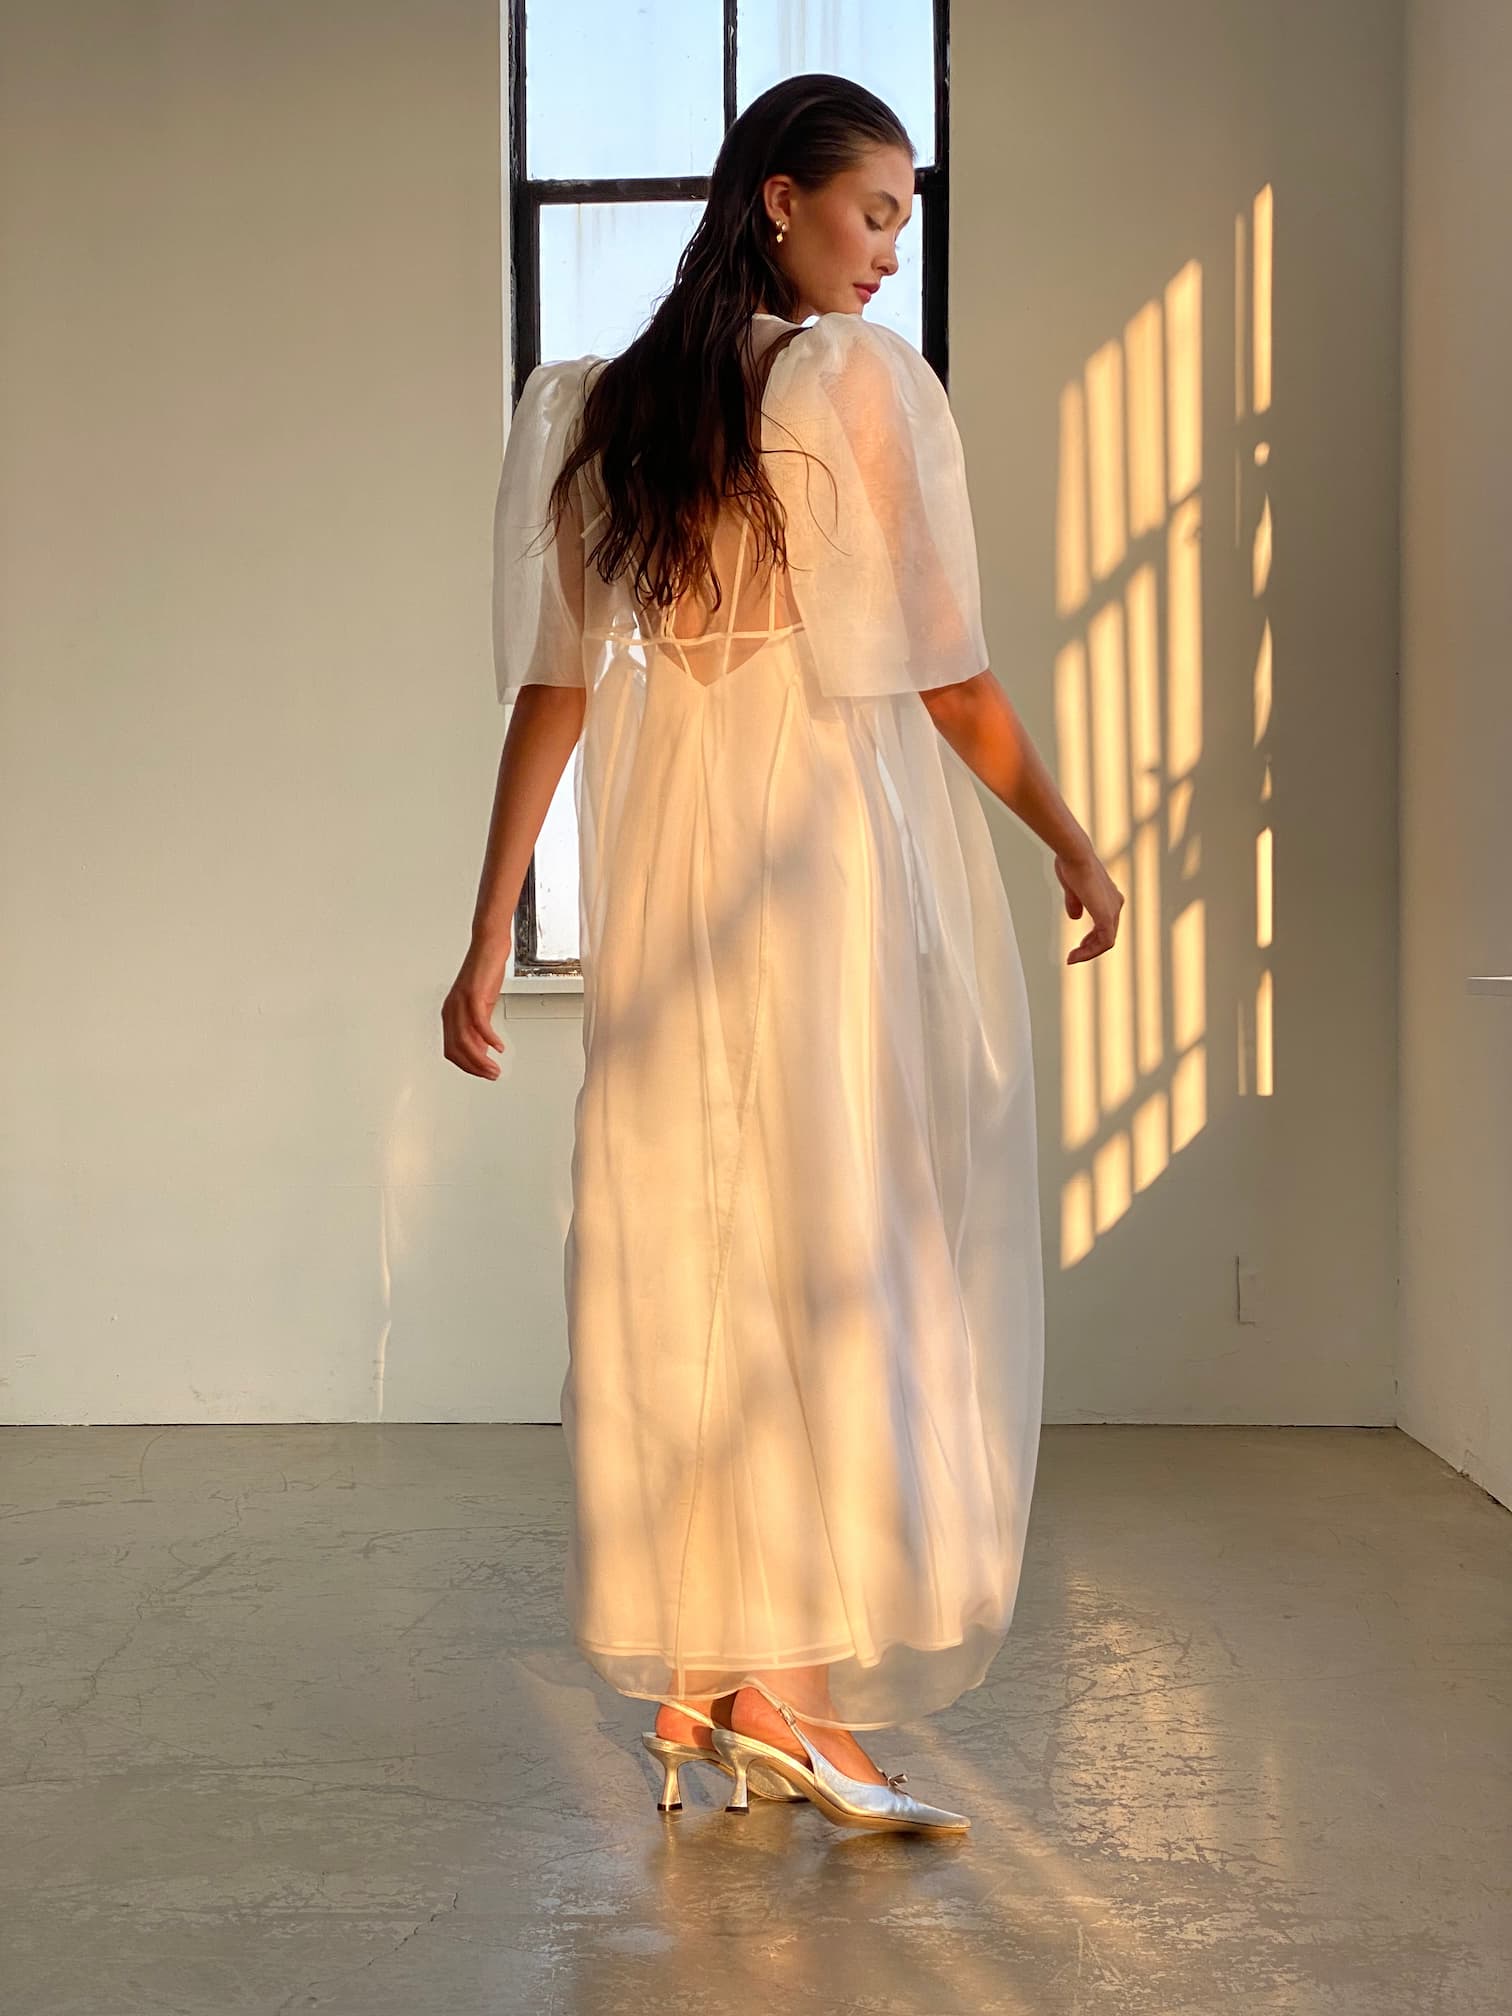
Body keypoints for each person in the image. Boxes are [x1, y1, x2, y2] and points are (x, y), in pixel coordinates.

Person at [442, 74, 1123, 1835]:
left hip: (675, 871)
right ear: (778, 202)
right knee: (834, 1242)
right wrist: (1066, 835)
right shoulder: (845, 387)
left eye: (906, 216)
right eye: (875, 210)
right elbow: (949, 679)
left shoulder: (601, 407)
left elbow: (560, 689)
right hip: (822, 857)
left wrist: (486, 932)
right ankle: (788, 1698)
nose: (893, 249)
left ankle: (707, 1678)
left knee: (699, 1242)